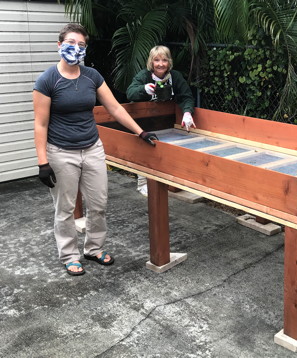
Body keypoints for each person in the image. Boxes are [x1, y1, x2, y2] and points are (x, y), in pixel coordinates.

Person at [33, 23, 158, 276]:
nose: (75, 48)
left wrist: (140, 131)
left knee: (98, 203)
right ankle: (69, 254)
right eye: (70, 43)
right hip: (61, 152)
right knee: (65, 208)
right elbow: (40, 123)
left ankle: (94, 248)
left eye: (80, 45)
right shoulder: (47, 80)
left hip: (92, 149)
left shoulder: (92, 76)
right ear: (59, 45)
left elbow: (115, 108)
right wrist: (42, 162)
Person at [126, 45, 195, 196]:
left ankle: (168, 182)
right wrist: (144, 89)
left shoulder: (175, 77)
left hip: (166, 123)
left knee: (167, 152)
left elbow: (186, 96)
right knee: (144, 151)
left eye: (164, 60)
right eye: (157, 60)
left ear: (169, 62)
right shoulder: (144, 76)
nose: (160, 64)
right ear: (151, 62)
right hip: (144, 122)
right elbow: (130, 93)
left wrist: (187, 112)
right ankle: (143, 183)